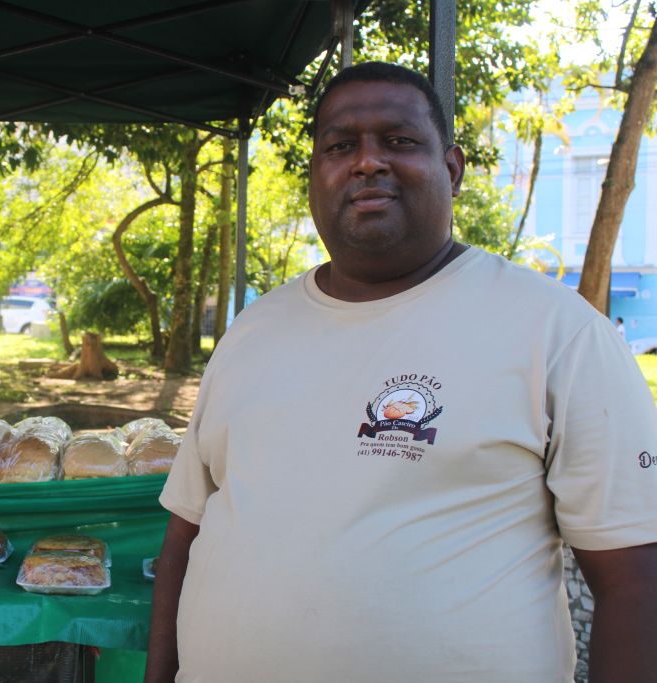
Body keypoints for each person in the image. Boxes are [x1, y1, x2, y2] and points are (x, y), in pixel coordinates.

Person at [146, 62, 657, 683]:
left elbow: (636, 579)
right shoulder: (253, 331)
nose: (366, 162)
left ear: (453, 169)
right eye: (340, 146)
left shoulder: (557, 332)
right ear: (315, 177)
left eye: (399, 140)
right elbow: (186, 534)